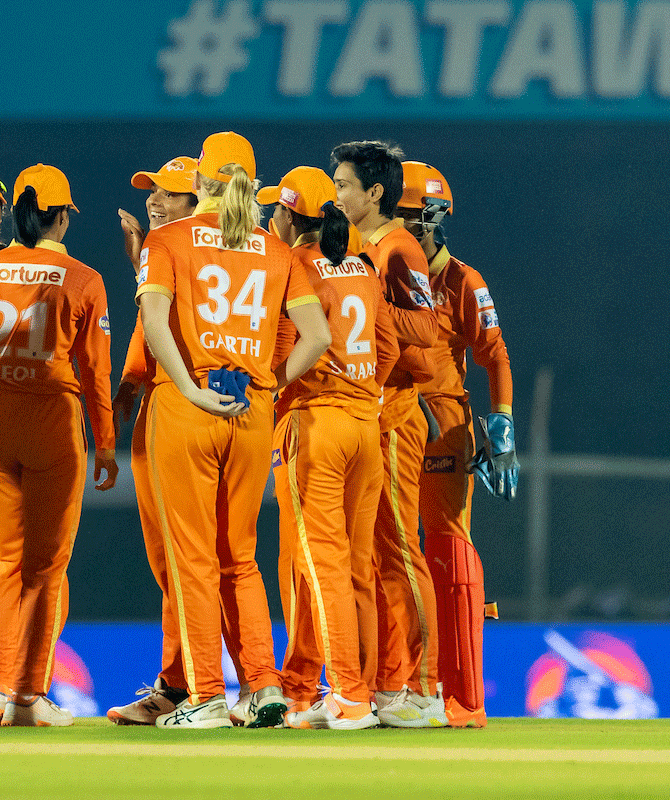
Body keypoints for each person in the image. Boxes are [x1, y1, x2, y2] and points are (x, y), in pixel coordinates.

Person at [135, 131, 331, 729]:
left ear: (199, 182)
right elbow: (318, 337)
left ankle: (205, 697)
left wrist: (191, 387)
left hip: (189, 406)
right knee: (239, 559)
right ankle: (265, 687)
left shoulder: (166, 239)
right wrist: (269, 382)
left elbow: (153, 321)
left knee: (193, 559)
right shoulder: (275, 249)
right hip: (251, 411)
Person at [106, 157, 252, 726]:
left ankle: (211, 686)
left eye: (168, 193)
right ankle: (180, 681)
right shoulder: (167, 249)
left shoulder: (187, 247)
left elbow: (181, 328)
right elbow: (158, 325)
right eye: (151, 190)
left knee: (200, 559)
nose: (153, 201)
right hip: (170, 404)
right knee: (174, 561)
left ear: (201, 200)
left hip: (192, 405)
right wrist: (128, 387)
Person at [0, 164, 117, 727]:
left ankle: (2, 689)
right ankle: (29, 694)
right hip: (53, 423)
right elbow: (95, 370)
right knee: (47, 568)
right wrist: (105, 441)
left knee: (6, 565)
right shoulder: (83, 278)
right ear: (60, 216)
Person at [258, 167, 400, 729]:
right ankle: (364, 689)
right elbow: (386, 346)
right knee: (357, 567)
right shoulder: (361, 264)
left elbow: (289, 343)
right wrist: (363, 391)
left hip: (316, 422)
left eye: (276, 209)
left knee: (322, 565)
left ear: (291, 215)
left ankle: (345, 692)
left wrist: (270, 388)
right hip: (367, 423)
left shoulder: (291, 263)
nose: (270, 216)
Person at [396, 160, 518, 728]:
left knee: (446, 548)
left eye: (409, 218)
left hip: (442, 427)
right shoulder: (381, 268)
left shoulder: (463, 282)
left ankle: (462, 695)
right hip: (388, 421)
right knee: (386, 553)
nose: (399, 227)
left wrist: (503, 427)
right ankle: (391, 686)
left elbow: (494, 355)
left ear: (436, 218)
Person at [331, 140, 445, 727]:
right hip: (364, 414)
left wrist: (371, 302)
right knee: (371, 557)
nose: (337, 194)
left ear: (376, 193)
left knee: (400, 550)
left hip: (396, 416)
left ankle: (425, 688)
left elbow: (425, 328)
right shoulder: (357, 244)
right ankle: (385, 683)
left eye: (345, 184)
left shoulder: (398, 248)